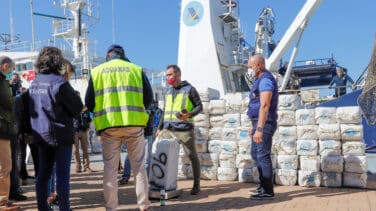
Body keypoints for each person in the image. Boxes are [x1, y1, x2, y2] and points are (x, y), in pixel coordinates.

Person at [85, 44, 153, 211]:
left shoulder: (97, 71)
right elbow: (149, 98)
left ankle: (111, 207)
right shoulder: (136, 69)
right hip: (134, 123)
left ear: (108, 55)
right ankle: (144, 206)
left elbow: (89, 102)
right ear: (123, 55)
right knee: (138, 166)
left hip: (109, 126)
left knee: (110, 168)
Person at [29, 47, 83, 211]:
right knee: (62, 176)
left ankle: (42, 208)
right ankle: (64, 208)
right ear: (57, 62)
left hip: (41, 134)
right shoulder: (60, 83)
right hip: (61, 136)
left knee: (43, 174)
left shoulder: (34, 83)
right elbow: (77, 107)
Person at [157, 64, 202, 195]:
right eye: (167, 75)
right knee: (165, 157)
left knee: (192, 156)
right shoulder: (168, 91)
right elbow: (165, 111)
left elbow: (199, 106)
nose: (168, 77)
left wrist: (189, 115)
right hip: (168, 130)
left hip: (184, 129)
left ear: (178, 74)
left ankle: (196, 185)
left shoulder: (190, 89)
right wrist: (159, 128)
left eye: (170, 75)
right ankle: (167, 184)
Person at [247, 54, 278, 200]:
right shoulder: (258, 80)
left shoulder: (265, 80)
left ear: (259, 65)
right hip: (257, 122)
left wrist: (259, 128)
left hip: (264, 124)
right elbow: (256, 105)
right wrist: (253, 125)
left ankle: (268, 190)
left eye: (250, 67)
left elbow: (265, 105)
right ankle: (262, 186)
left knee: (263, 156)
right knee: (255, 154)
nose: (249, 70)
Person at [0, 56, 21, 210]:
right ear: (5, 66)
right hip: (2, 129)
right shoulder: (2, 82)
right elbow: (9, 102)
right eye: (11, 69)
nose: (11, 73)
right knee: (5, 166)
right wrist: (19, 97)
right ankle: (2, 201)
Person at [73, 91, 93, 173]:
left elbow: (88, 118)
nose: (78, 98)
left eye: (79, 96)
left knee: (85, 149)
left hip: (84, 131)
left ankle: (87, 166)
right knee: (75, 150)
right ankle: (78, 166)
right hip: (74, 131)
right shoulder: (71, 106)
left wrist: (88, 127)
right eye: (76, 96)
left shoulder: (85, 107)